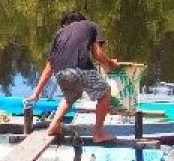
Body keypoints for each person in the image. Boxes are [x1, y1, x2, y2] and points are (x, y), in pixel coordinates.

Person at [23, 11, 120, 143]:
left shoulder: (60, 34)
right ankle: (98, 134)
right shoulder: (91, 26)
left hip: (60, 72)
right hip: (79, 68)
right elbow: (97, 54)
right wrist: (110, 64)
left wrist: (37, 92)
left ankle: (54, 125)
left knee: (70, 97)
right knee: (105, 93)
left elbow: (50, 65)